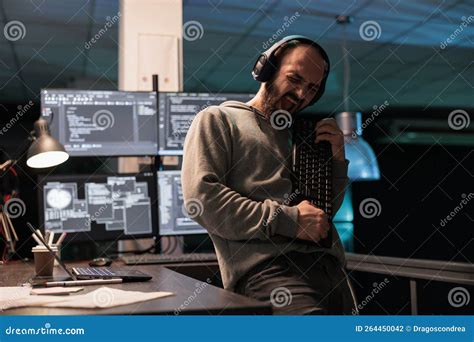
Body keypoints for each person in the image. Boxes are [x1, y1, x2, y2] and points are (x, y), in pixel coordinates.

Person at [181, 36, 356, 314]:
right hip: (272, 274)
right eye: (294, 79)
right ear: (266, 68)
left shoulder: (302, 135)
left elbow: (321, 218)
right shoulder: (218, 119)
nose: (301, 95)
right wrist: (290, 220)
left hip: (332, 272)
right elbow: (202, 200)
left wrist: (336, 160)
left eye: (311, 88)